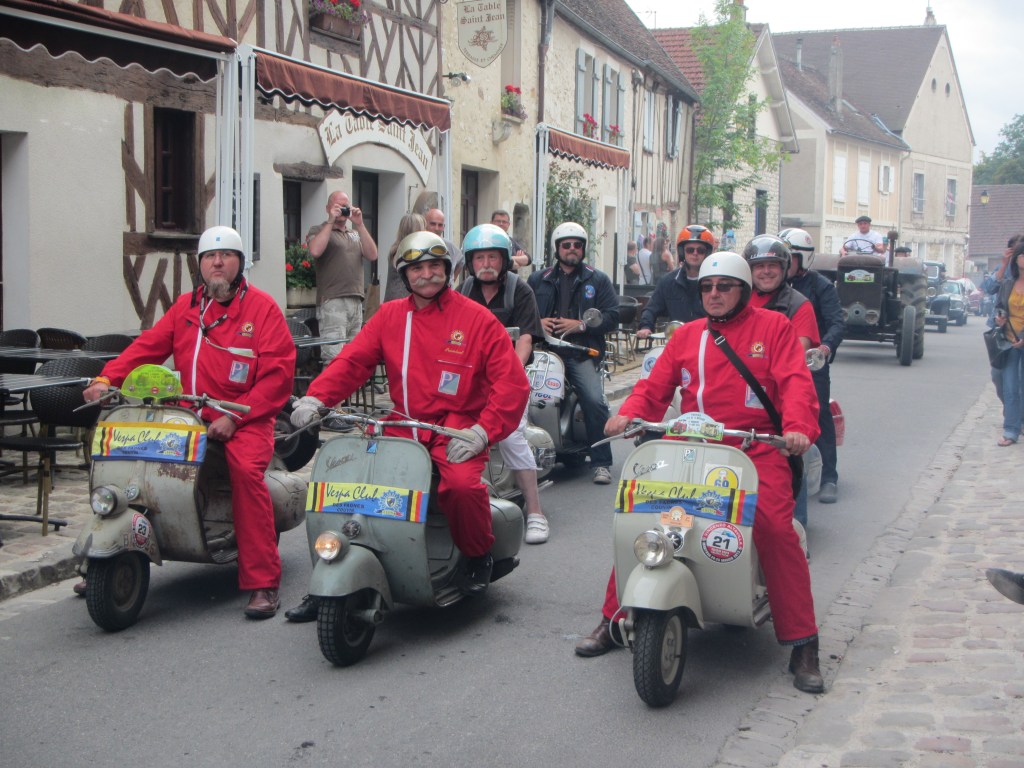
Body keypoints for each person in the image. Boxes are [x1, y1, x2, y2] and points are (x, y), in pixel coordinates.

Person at [575, 251, 824, 694]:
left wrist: (798, 428)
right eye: (707, 288)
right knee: (647, 519)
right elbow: (653, 388)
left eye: (724, 287)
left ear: (744, 290)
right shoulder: (687, 335)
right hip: (693, 446)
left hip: (756, 447)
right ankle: (614, 616)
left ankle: (804, 643)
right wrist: (628, 414)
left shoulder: (775, 329)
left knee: (771, 526)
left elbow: (795, 383)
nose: (713, 294)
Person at [285, 231, 528, 621]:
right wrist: (317, 398)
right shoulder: (391, 316)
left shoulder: (477, 320)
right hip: (402, 425)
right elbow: (353, 362)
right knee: (345, 485)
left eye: (435, 267)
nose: (427, 276)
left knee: (463, 487)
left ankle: (477, 555)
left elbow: (512, 384)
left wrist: (483, 431)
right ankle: (329, 570)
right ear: (405, 274)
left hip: (457, 430)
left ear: (448, 271)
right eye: (418, 269)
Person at [81, 226, 296, 619]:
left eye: (227, 256)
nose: (218, 262)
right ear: (199, 264)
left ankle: (262, 581)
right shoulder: (186, 308)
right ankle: (109, 550)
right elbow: (147, 348)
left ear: (240, 263)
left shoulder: (262, 309)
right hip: (189, 414)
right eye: (210, 257)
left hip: (247, 417)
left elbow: (278, 375)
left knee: (245, 473)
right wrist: (106, 379)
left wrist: (234, 416)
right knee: (125, 454)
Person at [460, 224, 549, 544]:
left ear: (505, 259)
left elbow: (525, 339)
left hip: (509, 378)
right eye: (480, 257)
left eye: (493, 257)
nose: (486, 263)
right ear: (470, 262)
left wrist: (507, 375)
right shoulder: (464, 291)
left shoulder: (519, 290)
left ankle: (536, 512)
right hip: (470, 379)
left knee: (511, 435)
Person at [527, 222, 619, 484]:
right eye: (566, 245)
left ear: (583, 249)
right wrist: (538, 323)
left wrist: (580, 325)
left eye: (577, 245)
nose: (572, 249)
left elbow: (613, 315)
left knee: (593, 399)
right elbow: (522, 311)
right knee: (518, 395)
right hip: (543, 351)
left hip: (580, 352)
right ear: (557, 248)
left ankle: (601, 462)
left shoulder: (597, 279)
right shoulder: (538, 279)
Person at [743, 235, 820, 527]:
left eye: (772, 265)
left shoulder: (798, 305)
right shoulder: (737, 296)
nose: (765, 271)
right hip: (739, 395)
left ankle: (795, 528)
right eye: (759, 265)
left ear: (785, 267)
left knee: (791, 453)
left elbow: (795, 358)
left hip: (778, 398)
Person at [782, 228, 845, 505]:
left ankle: (829, 476)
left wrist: (824, 347)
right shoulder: (771, 287)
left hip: (811, 361)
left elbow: (836, 322)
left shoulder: (821, 286)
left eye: (790, 258)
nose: (784, 264)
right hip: (775, 363)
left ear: (803, 258)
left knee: (818, 415)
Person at [307, 190, 379, 363]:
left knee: (353, 357)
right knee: (333, 358)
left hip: (355, 300)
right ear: (328, 208)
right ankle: (330, 390)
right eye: (337, 206)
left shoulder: (354, 233)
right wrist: (331, 221)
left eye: (345, 206)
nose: (342, 210)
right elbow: (315, 250)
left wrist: (360, 225)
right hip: (333, 300)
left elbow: (372, 254)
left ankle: (350, 391)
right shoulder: (319, 230)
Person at [636, 224, 716, 339]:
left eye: (701, 250)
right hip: (678, 342)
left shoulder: (715, 283)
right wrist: (646, 326)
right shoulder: (669, 282)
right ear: (682, 252)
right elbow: (651, 308)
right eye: (690, 250)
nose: (695, 253)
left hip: (708, 341)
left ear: (707, 253)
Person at [993, 240, 1024, 446]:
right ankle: (1011, 430)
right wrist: (1000, 317)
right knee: (1009, 386)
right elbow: (999, 306)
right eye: (1022, 255)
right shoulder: (1008, 283)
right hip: (1010, 340)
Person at [382, 212, 427, 303]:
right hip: (402, 300)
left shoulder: (396, 249)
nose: (425, 232)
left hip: (394, 299)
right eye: (423, 229)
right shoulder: (407, 252)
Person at [424, 207, 465, 285]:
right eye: (433, 224)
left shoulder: (450, 246)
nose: (436, 228)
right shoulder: (419, 244)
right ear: (425, 224)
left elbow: (461, 261)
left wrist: (452, 279)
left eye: (440, 225)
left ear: (444, 227)